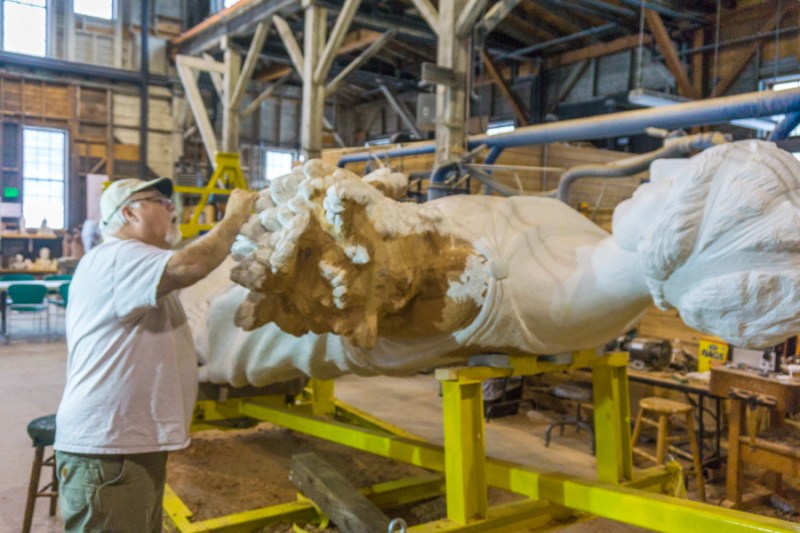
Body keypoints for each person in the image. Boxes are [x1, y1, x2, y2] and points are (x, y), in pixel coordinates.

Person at [180, 140, 800, 388]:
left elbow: (358, 289)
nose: (661, 168)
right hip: (285, 301)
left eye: (680, 185)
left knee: (198, 318)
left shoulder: (513, 286)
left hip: (258, 316)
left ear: (684, 244)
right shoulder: (591, 258)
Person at [53, 176, 257, 532]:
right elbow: (188, 266)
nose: (170, 209)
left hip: (125, 446)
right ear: (129, 213)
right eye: (159, 201)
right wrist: (234, 218)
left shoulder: (134, 265)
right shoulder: (118, 256)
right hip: (109, 450)